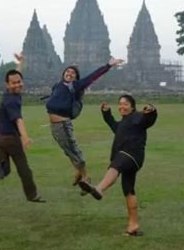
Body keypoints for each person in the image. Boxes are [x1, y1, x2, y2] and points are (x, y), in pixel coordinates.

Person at [78, 95, 157, 236]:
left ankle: (99, 189)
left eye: (125, 104)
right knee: (128, 190)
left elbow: (149, 119)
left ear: (132, 107)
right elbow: (111, 123)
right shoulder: (122, 124)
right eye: (120, 104)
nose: (122, 106)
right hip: (128, 160)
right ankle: (133, 225)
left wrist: (151, 109)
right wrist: (106, 112)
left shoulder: (138, 117)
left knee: (116, 164)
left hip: (132, 155)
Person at [45, 58, 124, 190]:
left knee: (73, 150)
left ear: (76, 78)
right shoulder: (58, 85)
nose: (69, 74)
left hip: (63, 125)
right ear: (63, 73)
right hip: (55, 126)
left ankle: (86, 177)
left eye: (73, 73)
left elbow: (93, 77)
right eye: (68, 71)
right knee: (67, 150)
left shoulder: (75, 86)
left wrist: (108, 65)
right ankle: (78, 171)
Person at [0, 53, 45, 203]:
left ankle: (0, 164)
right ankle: (32, 195)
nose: (17, 85)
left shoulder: (7, 93)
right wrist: (25, 138)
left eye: (19, 82)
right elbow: (18, 120)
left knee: (5, 170)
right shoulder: (12, 101)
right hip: (9, 139)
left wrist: (20, 62)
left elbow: (16, 75)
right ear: (8, 85)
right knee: (24, 169)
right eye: (13, 83)